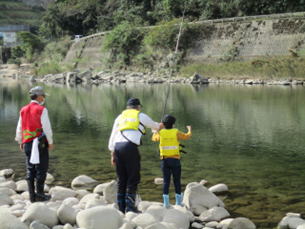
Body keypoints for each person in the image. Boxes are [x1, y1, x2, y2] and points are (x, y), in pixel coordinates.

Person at [108, 98, 163, 213]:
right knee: (133, 178)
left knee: (121, 178)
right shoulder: (141, 116)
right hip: (130, 147)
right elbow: (155, 127)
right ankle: (130, 207)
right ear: (138, 107)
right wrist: (160, 125)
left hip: (117, 147)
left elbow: (113, 135)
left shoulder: (120, 117)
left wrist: (112, 154)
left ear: (127, 107)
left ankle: (121, 207)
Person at [15, 86, 54, 202]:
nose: (44, 98)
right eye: (43, 96)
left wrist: (20, 141)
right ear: (39, 96)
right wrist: (50, 142)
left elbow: (20, 127)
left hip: (27, 142)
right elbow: (47, 129)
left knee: (30, 168)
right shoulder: (42, 109)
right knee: (42, 168)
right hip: (40, 143)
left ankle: (32, 196)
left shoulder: (23, 109)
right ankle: (40, 194)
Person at [152, 114, 192, 208]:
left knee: (166, 181)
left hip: (164, 161)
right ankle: (178, 202)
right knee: (177, 181)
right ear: (173, 124)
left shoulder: (161, 133)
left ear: (163, 124)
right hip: (175, 161)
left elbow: (154, 139)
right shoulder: (176, 132)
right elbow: (187, 136)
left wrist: (156, 131)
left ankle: (166, 203)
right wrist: (189, 129)